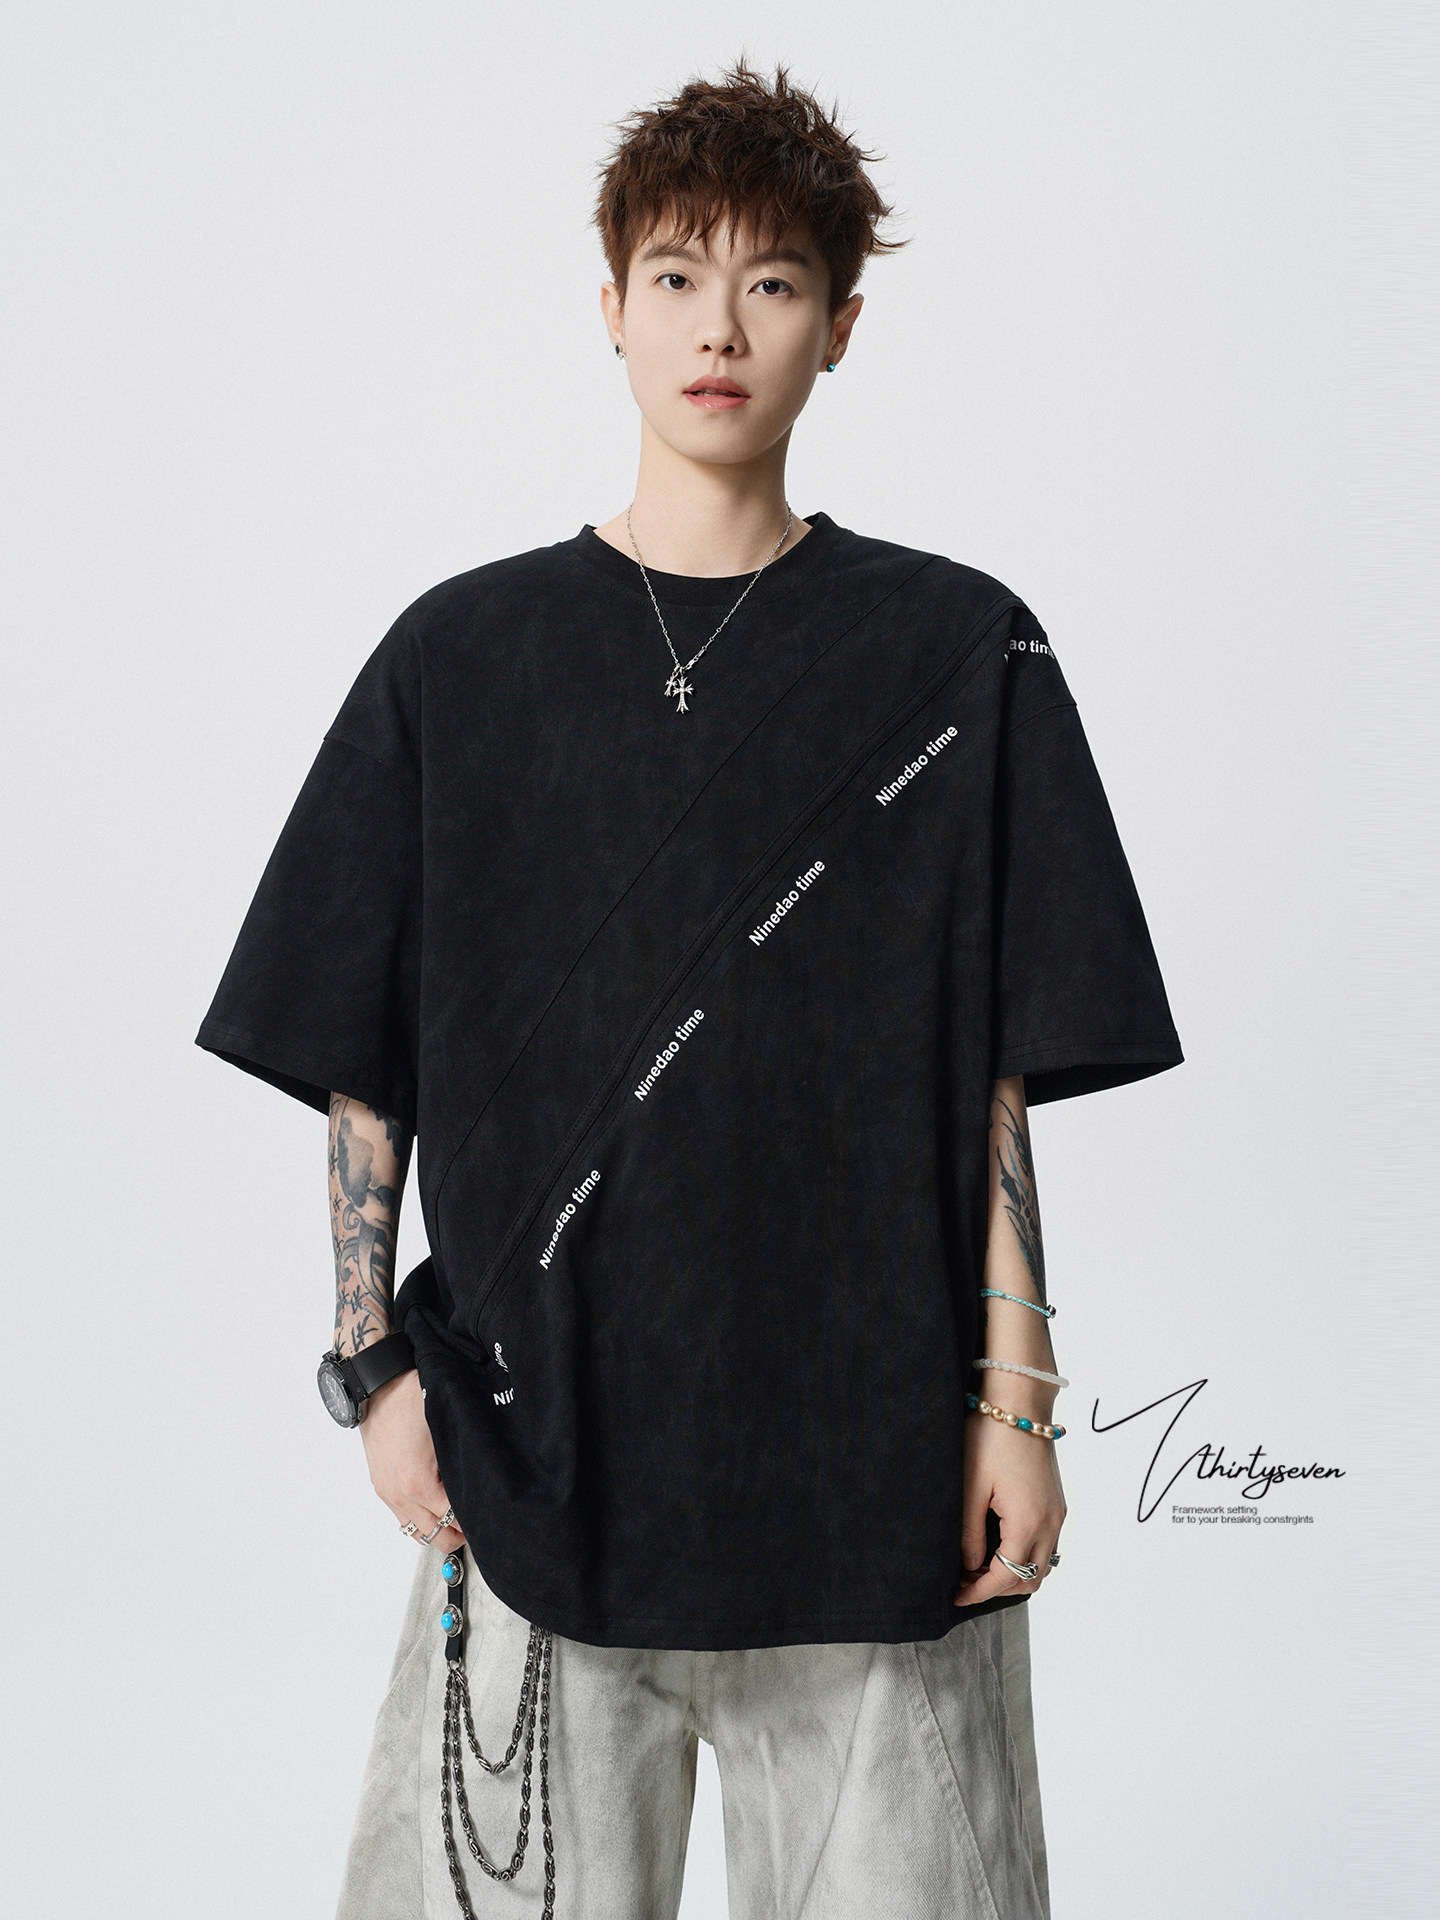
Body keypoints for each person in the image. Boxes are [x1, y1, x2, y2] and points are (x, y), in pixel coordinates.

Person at [197, 62, 1181, 1920]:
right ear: (612, 308)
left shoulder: (957, 653)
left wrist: (1021, 1405)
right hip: (531, 1468)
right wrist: (372, 1362)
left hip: (879, 1479)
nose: (719, 327)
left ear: (841, 324)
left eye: (773, 282)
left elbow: (995, 1069)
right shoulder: (461, 656)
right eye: (676, 276)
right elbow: (360, 1049)